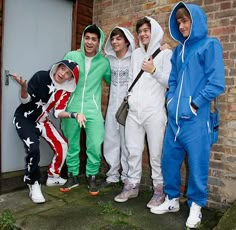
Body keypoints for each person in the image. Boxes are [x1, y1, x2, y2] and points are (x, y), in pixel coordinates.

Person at [150, 2, 225, 229]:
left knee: (197, 164)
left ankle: (196, 207)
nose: (182, 25)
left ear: (196, 21)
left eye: (185, 20)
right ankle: (172, 200)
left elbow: (216, 83)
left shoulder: (210, 45)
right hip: (174, 119)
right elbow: (173, 81)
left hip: (195, 120)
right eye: (179, 21)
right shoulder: (179, 51)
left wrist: (194, 104)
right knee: (169, 161)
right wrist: (171, 101)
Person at [114, 16, 172, 209]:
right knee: (133, 151)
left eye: (146, 30)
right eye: (140, 31)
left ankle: (159, 190)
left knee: (156, 154)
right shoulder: (136, 54)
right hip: (134, 111)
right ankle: (132, 185)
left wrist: (154, 70)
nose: (143, 34)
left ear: (153, 30)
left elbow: (170, 82)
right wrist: (130, 99)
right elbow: (131, 78)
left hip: (154, 112)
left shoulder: (165, 54)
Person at [13, 60, 83, 203]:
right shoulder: (41, 77)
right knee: (34, 148)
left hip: (42, 121)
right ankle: (33, 182)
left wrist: (74, 114)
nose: (63, 73)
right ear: (57, 67)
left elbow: (57, 113)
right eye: (62, 68)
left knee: (63, 145)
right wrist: (24, 88)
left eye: (68, 73)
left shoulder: (65, 91)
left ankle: (53, 176)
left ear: (71, 78)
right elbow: (25, 102)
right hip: (25, 118)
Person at [60, 24, 111, 196]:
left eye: (94, 39)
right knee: (71, 143)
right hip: (72, 107)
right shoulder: (72, 56)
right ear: (83, 39)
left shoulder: (104, 63)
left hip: (93, 109)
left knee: (95, 144)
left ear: (99, 42)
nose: (89, 42)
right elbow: (60, 76)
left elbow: (113, 80)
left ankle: (92, 176)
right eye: (87, 38)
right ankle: (72, 175)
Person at [100, 27, 135, 188]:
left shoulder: (134, 58)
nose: (114, 41)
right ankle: (112, 175)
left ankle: (127, 176)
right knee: (110, 139)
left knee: (128, 141)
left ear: (127, 40)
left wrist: (165, 48)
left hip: (129, 107)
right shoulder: (108, 60)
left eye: (118, 38)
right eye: (113, 39)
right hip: (112, 106)